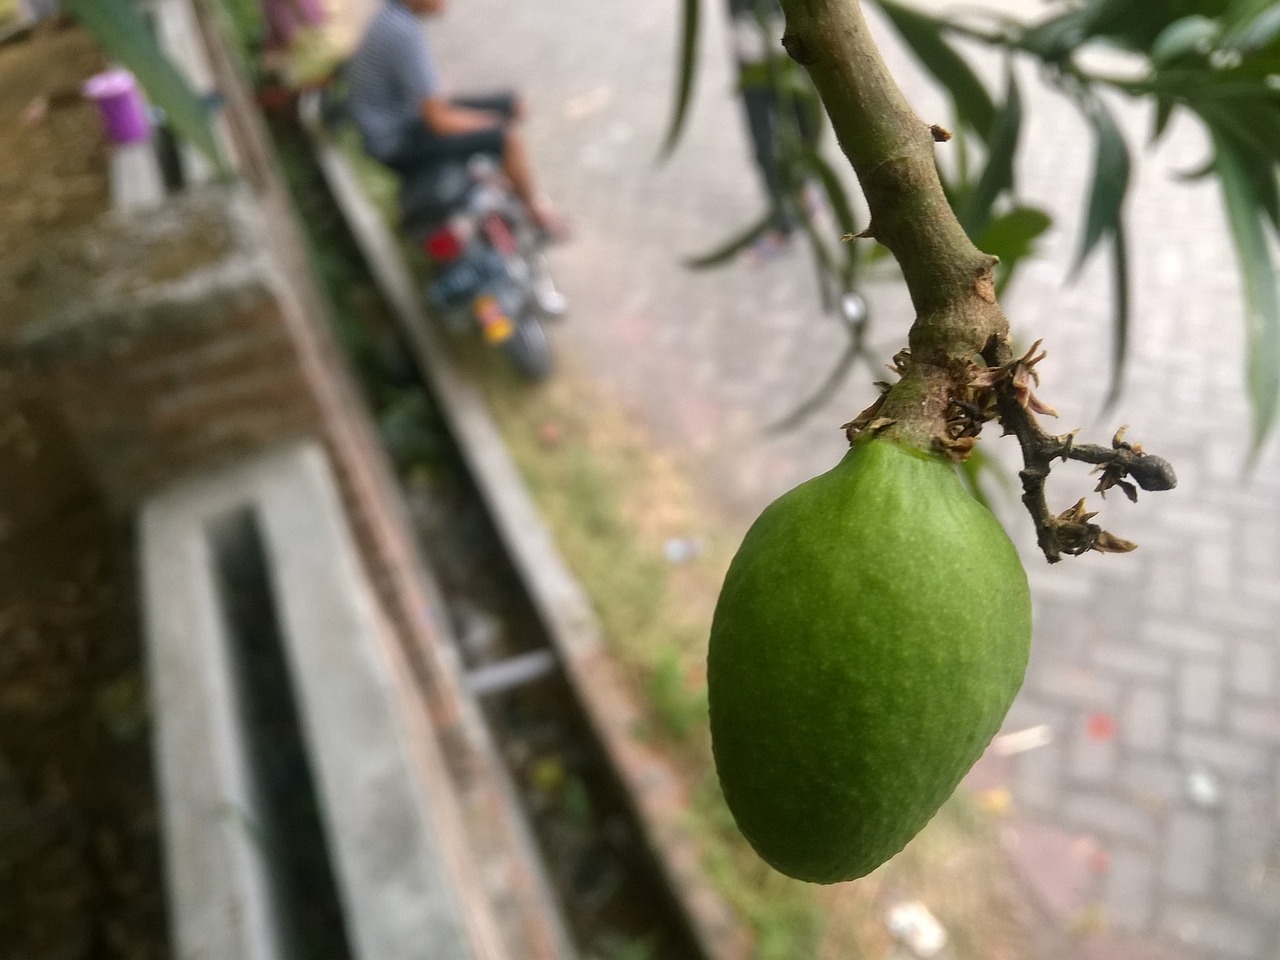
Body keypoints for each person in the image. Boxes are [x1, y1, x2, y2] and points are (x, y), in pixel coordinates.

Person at [346, 0, 567, 239]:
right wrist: (491, 126)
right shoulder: (404, 34)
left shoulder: (393, 18)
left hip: (399, 123)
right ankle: (538, 216)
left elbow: (429, 98)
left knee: (509, 104)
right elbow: (438, 120)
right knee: (506, 139)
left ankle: (504, 182)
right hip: (395, 143)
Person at [727, 0, 821, 256]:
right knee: (765, 147)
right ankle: (784, 221)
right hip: (751, 57)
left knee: (806, 134)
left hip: (793, 55)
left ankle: (805, 192)